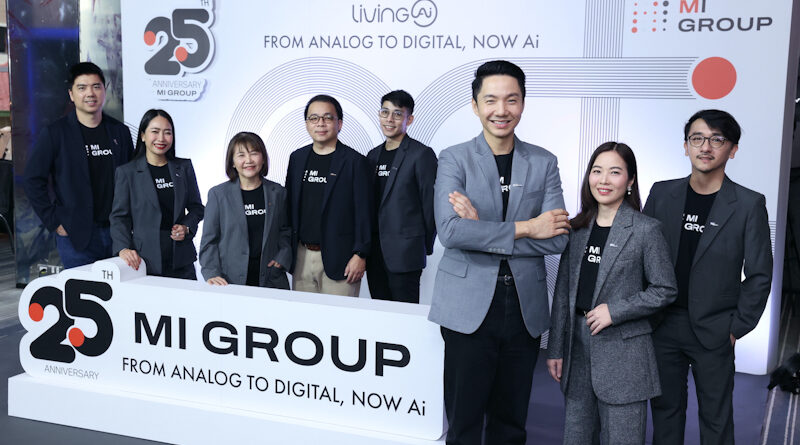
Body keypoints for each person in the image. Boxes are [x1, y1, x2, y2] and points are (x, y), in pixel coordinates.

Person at [428, 60, 569, 444]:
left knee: (511, 421)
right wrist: (528, 227)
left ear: (522, 103)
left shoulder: (543, 162)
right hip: (467, 305)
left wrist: (481, 228)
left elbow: (557, 238)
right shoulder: (454, 158)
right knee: (464, 419)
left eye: (511, 99)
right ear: (475, 105)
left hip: (523, 306)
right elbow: (451, 231)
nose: (501, 110)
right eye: (490, 100)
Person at [645, 109, 773, 444]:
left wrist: (736, 328)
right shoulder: (662, 194)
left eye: (717, 139)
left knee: (716, 421)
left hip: (715, 329)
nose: (705, 147)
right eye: (697, 138)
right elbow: (640, 255)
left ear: (733, 149)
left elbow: (760, 274)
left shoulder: (748, 204)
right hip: (662, 324)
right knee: (664, 415)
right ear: (685, 146)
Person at [546, 142, 677, 444]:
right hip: (577, 351)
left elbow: (665, 289)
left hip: (624, 356)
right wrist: (555, 348)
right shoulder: (576, 229)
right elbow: (563, 293)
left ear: (630, 180)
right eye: (597, 171)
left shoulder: (646, 230)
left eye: (615, 172)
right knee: (575, 438)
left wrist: (615, 311)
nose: (603, 180)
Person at [24, 62, 134, 268]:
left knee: (120, 288)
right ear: (71, 94)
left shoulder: (120, 132)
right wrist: (54, 221)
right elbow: (32, 179)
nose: (90, 93)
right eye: (82, 88)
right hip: (76, 237)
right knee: (82, 288)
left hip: (118, 235)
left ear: (104, 90)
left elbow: (132, 179)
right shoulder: (56, 133)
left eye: (96, 86)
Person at [285, 94, 372, 297]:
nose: (320, 123)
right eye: (314, 118)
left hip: (342, 259)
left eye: (327, 118)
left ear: (339, 123)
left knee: (339, 317)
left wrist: (360, 254)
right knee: (303, 316)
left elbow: (364, 213)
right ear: (307, 124)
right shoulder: (297, 158)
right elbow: (289, 207)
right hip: (301, 257)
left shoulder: (355, 162)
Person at [110, 109, 204, 279]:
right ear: (143, 136)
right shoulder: (127, 173)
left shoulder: (183, 168)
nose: (161, 138)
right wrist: (123, 248)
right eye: (155, 131)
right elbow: (119, 217)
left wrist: (186, 227)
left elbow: (197, 208)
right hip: (143, 260)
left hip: (181, 259)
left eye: (167, 132)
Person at [366, 90, 437, 303]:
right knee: (379, 313)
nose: (389, 119)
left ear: (409, 119)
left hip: (406, 252)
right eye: (385, 112)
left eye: (397, 114)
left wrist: (424, 245)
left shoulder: (421, 154)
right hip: (374, 252)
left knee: (405, 315)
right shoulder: (372, 156)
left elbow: (430, 205)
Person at [199, 131, 291, 289]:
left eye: (254, 153)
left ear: (263, 158)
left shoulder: (278, 193)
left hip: (271, 278)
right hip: (229, 280)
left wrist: (282, 258)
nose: (248, 160)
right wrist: (212, 272)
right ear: (232, 162)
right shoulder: (218, 195)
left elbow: (286, 231)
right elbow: (209, 241)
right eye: (241, 155)